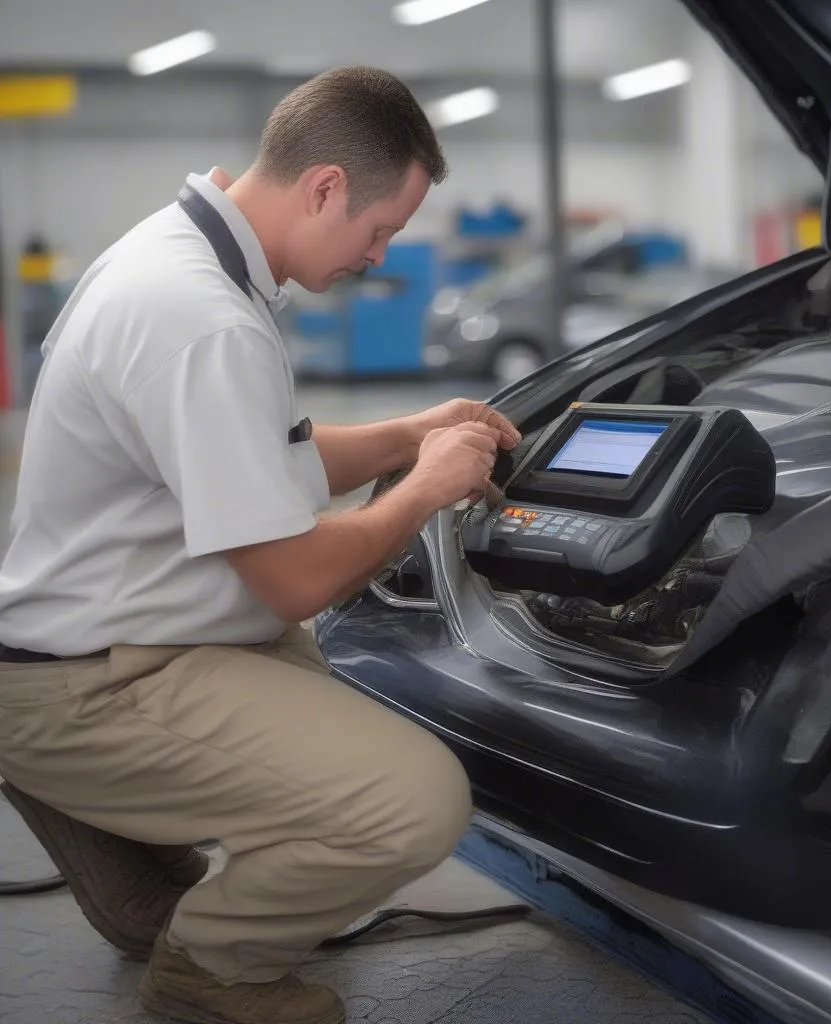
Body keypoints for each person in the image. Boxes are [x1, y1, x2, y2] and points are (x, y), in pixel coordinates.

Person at [0, 66, 521, 1024]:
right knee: (409, 801)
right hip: (88, 684)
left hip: (86, 641)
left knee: (309, 708)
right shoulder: (200, 318)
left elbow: (262, 460)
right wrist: (428, 488)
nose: (379, 256)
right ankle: (210, 974)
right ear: (325, 187)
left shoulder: (185, 262)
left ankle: (139, 867)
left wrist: (410, 435)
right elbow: (293, 579)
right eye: (382, 230)